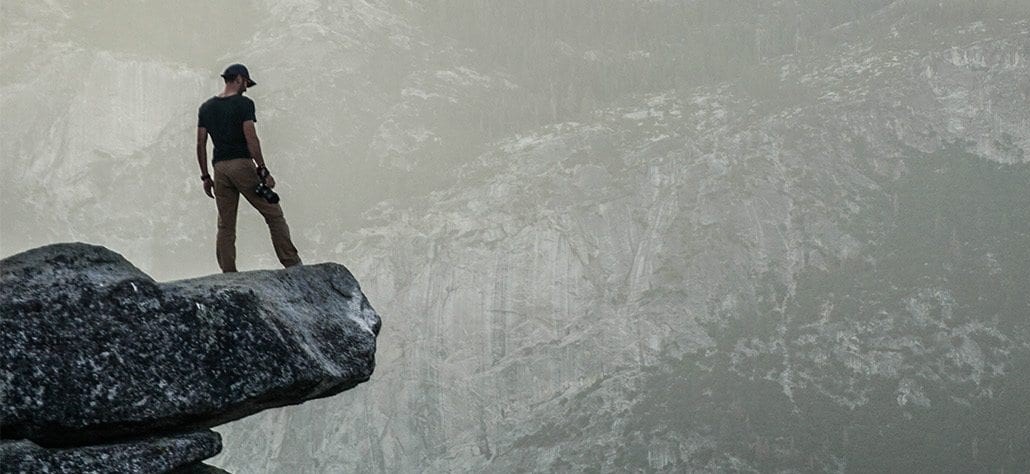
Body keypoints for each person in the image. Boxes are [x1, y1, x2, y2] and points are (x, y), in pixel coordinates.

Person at [195, 63, 301, 272]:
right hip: (241, 165)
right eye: (246, 83)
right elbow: (250, 136)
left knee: (226, 224)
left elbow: (200, 143)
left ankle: (228, 271)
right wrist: (262, 168)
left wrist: (206, 177)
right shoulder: (244, 104)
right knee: (273, 213)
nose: (246, 87)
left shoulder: (206, 107)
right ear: (239, 79)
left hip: (220, 169)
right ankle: (292, 263)